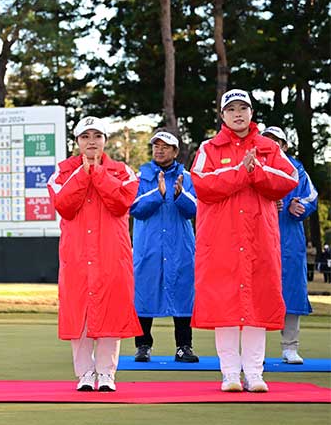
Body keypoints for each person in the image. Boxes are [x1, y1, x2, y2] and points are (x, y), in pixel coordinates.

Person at [190, 90, 298, 393]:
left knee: (257, 306)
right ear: (222, 115)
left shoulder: (268, 147)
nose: (238, 114)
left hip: (259, 239)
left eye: (243, 108)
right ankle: (229, 374)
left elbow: (289, 180)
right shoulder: (208, 148)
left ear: (252, 112)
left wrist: (258, 170)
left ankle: (254, 372)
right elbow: (201, 184)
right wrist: (241, 172)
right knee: (224, 306)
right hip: (221, 240)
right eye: (231, 109)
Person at [47, 116, 140, 393]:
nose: (91, 142)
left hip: (112, 255)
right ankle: (85, 373)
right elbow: (64, 204)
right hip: (76, 256)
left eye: (96, 136)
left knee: (111, 315)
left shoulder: (123, 171)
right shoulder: (62, 173)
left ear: (105, 141)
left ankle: (107, 374)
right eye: (85, 137)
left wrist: (97, 173)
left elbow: (121, 202)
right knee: (81, 317)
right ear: (77, 142)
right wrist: (82, 174)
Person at [130, 130, 199, 364]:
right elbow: (134, 208)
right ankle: (143, 346)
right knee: (144, 293)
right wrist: (157, 194)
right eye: (155, 146)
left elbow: (196, 209)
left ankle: (184, 347)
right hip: (148, 246)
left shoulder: (188, 178)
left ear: (176, 151)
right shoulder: (140, 177)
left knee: (183, 294)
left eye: (165, 146)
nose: (159, 150)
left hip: (180, 246)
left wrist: (180, 195)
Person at [261, 126, 318, 364]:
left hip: (289, 239)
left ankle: (290, 347)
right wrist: (265, 206)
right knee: (259, 293)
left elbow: (311, 197)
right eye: (268, 141)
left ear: (285, 146)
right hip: (260, 238)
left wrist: (299, 206)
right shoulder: (254, 167)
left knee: (293, 291)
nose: (273, 146)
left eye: (277, 142)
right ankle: (257, 352)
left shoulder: (297, 169)